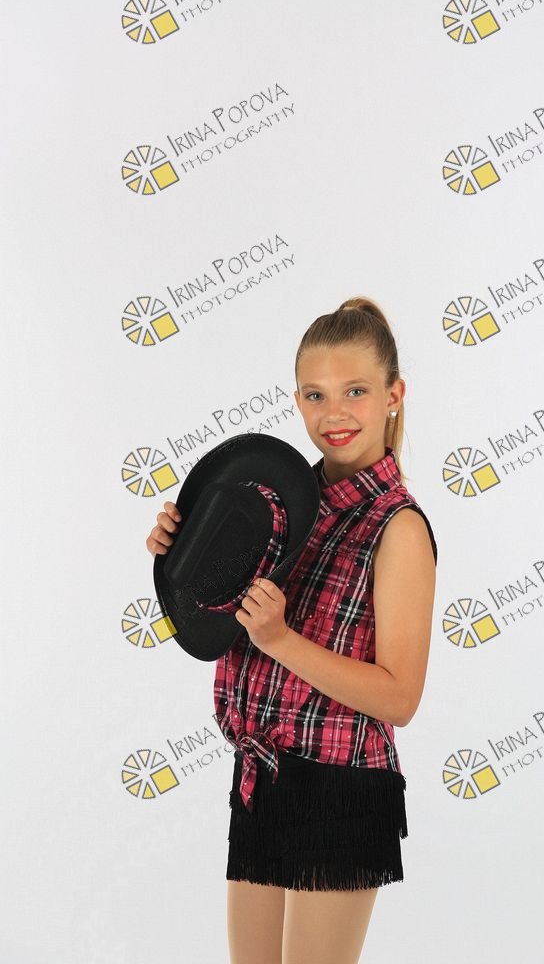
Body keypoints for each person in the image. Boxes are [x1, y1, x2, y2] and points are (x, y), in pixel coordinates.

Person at [146, 297, 437, 964]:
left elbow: (399, 698)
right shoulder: (277, 505)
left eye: (356, 391)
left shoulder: (396, 529)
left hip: (341, 791)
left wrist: (281, 641)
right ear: (297, 399)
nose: (334, 414)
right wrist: (184, 552)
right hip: (261, 776)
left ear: (393, 396)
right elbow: (216, 621)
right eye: (315, 394)